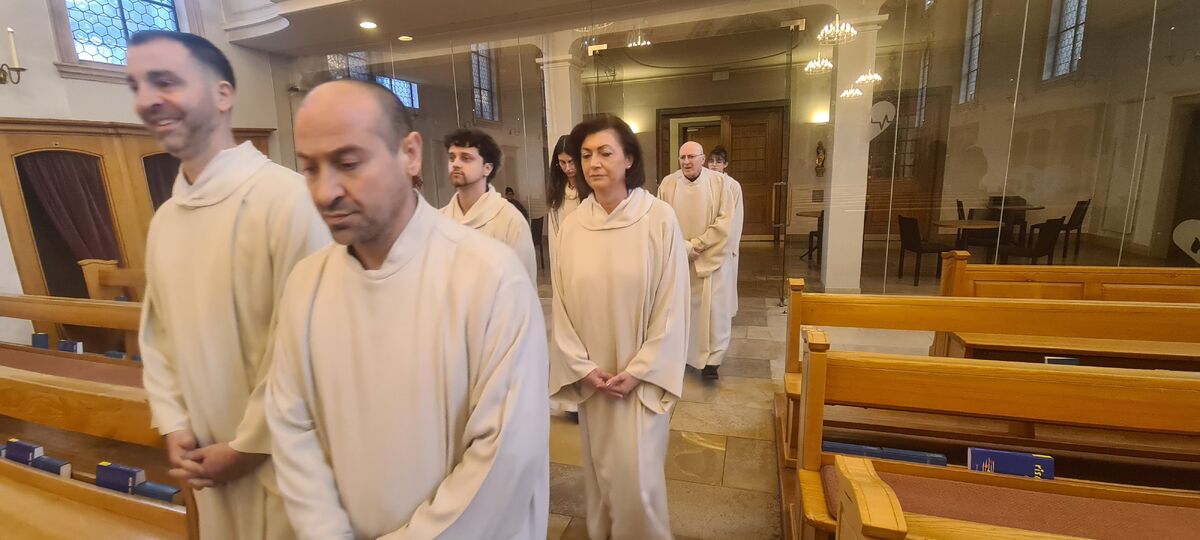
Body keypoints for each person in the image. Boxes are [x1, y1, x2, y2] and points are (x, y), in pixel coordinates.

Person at [265, 79, 549, 540]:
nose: (324, 192)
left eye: (348, 163)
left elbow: (505, 453)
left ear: (410, 154)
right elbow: (291, 426)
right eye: (310, 169)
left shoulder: (491, 277)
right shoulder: (305, 284)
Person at [127, 30, 329, 539]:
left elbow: (312, 341)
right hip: (204, 462)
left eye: (165, 81)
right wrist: (174, 422)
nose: (147, 100)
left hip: (288, 466)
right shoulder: (167, 219)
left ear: (222, 95)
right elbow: (158, 336)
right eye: (136, 86)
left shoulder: (288, 200)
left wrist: (247, 447)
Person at [550, 115, 689, 540]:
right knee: (603, 474)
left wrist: (640, 370)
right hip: (595, 381)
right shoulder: (572, 225)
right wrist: (582, 367)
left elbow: (672, 304)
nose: (593, 163)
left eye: (605, 153)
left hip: (640, 381)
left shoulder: (658, 218)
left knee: (639, 482)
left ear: (628, 159)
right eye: (586, 155)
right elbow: (561, 304)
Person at [658, 141, 739, 380]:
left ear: (702, 159)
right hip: (680, 258)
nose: (686, 162)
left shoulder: (720, 184)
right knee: (681, 311)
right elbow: (661, 222)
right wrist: (683, 248)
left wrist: (698, 245)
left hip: (712, 257)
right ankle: (683, 355)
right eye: (682, 157)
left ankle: (712, 361)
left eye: (692, 157)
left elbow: (726, 222)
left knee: (714, 312)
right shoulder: (668, 184)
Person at [440, 128, 537, 283]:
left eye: (466, 158)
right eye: (452, 157)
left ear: (487, 168)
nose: (456, 164)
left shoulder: (511, 221)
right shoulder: (439, 220)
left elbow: (524, 287)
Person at [545, 134, 583, 417]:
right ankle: (569, 400)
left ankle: (586, 398)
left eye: (571, 162)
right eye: (562, 163)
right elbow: (555, 233)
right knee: (565, 333)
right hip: (564, 267)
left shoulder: (590, 190)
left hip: (587, 266)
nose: (568, 168)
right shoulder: (557, 192)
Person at [707, 145, 744, 317]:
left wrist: (732, 244)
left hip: (725, 240)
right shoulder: (703, 183)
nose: (714, 165)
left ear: (725, 164)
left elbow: (737, 216)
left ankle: (724, 314)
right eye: (711, 161)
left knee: (724, 279)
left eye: (719, 161)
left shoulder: (733, 186)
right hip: (707, 238)